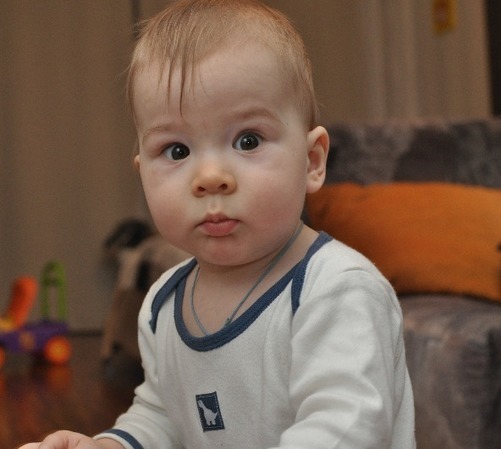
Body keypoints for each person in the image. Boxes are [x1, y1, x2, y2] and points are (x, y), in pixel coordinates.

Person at [20, 0, 415, 448]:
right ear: (142, 175)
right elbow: (161, 417)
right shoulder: (163, 304)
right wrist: (107, 445)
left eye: (248, 140)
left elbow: (346, 429)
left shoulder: (336, 290)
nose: (210, 177)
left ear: (311, 161)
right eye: (177, 150)